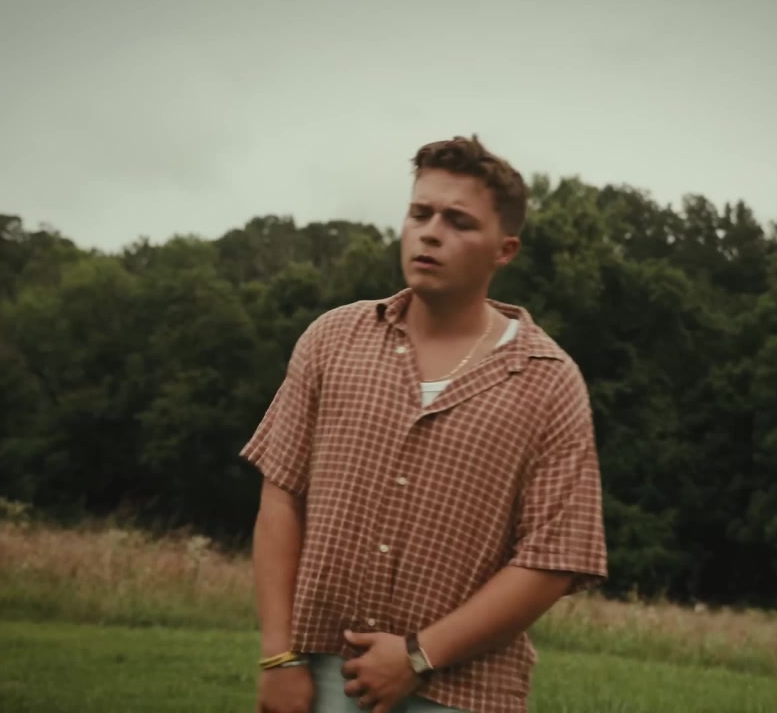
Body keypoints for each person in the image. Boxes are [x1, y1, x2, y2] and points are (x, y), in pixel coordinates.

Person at [243, 135, 607, 713]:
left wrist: (419, 655)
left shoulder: (548, 381)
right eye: (420, 213)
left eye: (458, 221)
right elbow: (282, 496)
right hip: (317, 673)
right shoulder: (333, 340)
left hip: (463, 692)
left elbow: (552, 559)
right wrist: (278, 656)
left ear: (505, 250)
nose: (431, 233)